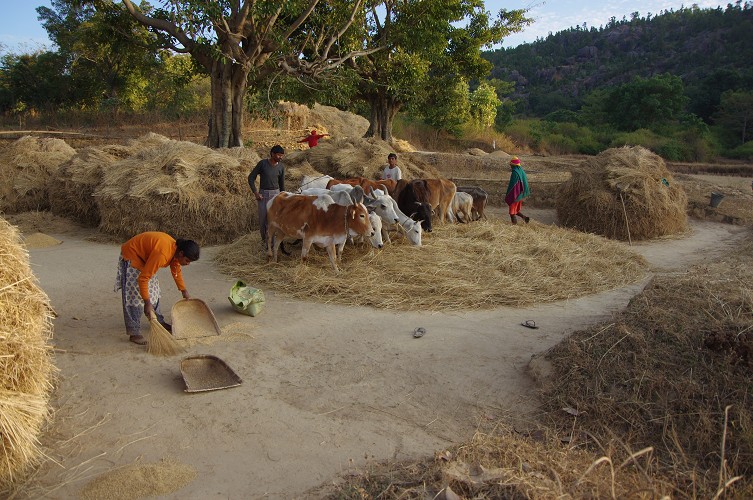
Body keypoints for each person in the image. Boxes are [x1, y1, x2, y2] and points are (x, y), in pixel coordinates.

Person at [115, 232, 200, 345]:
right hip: (133, 255)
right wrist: (147, 302)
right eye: (187, 260)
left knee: (153, 291)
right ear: (181, 253)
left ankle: (158, 321)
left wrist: (183, 290)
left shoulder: (175, 250)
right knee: (134, 296)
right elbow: (143, 279)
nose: (188, 264)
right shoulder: (162, 254)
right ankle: (134, 332)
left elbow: (176, 269)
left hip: (146, 257)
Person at [248, 145, 285, 247]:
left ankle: (275, 244)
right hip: (263, 195)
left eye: (282, 155)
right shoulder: (263, 164)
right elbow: (251, 178)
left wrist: (283, 197)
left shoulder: (281, 167)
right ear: (272, 154)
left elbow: (282, 185)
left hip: (277, 196)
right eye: (278, 155)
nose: (280, 157)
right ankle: (266, 241)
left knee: (276, 220)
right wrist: (256, 193)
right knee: (263, 220)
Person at [505, 156, 531, 224]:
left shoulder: (515, 173)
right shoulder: (521, 171)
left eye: (511, 165)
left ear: (513, 165)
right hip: (520, 194)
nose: (510, 166)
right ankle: (525, 218)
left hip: (515, 194)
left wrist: (509, 195)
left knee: (512, 213)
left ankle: (514, 225)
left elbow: (513, 186)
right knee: (515, 210)